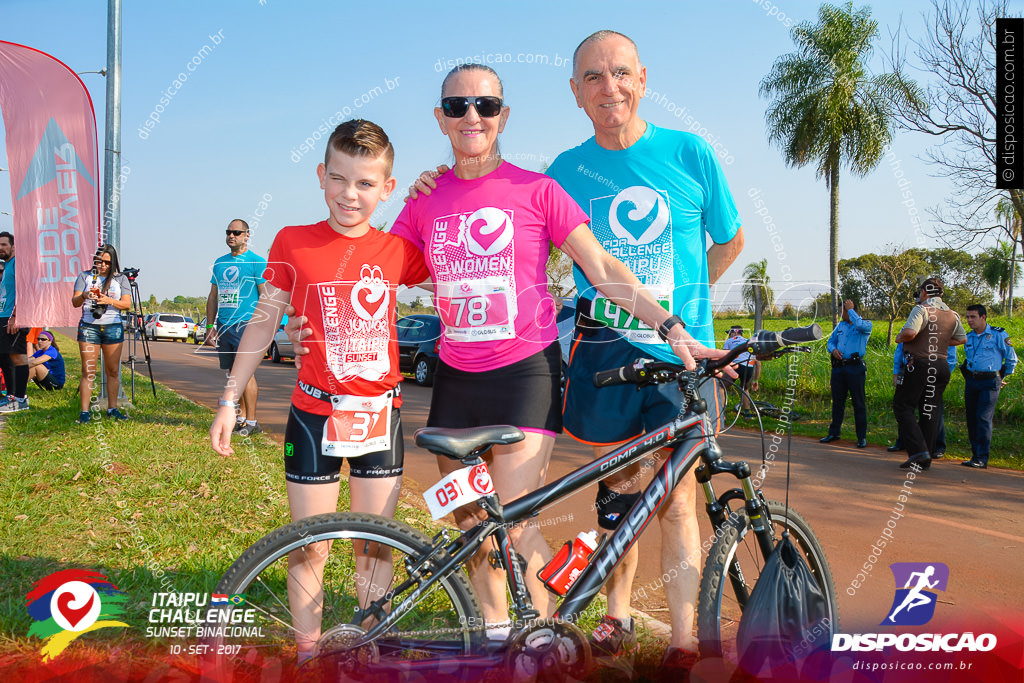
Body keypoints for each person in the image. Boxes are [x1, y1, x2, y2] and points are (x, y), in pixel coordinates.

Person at [372, 59, 732, 651]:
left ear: (503, 116)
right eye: (458, 106)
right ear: (440, 118)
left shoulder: (539, 189)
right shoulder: (426, 199)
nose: (472, 117)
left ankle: (539, 644)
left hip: (525, 374)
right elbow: (384, 269)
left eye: (486, 106)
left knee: (516, 524)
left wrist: (670, 324)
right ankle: (494, 634)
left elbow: (604, 268)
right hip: (455, 377)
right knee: (470, 523)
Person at [210, 119, 429, 663]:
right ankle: (309, 656)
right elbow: (263, 323)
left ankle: (368, 653)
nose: (350, 195)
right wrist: (228, 399)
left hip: (382, 416)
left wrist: (440, 186)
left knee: (375, 547)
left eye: (365, 183)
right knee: (310, 546)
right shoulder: (291, 241)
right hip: (314, 413)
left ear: (387, 187)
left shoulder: (398, 248)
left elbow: (456, 257)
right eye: (339, 179)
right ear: (320, 176)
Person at [893, 277, 967, 470]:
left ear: (925, 292)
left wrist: (899, 337)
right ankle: (925, 455)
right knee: (929, 409)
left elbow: (910, 333)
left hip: (920, 364)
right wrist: (938, 342)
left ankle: (918, 451)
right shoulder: (953, 314)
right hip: (941, 366)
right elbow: (961, 339)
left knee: (903, 405)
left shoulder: (922, 309)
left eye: (920, 291)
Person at [204, 219, 267, 436]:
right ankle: (239, 417)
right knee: (233, 374)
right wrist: (211, 325)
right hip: (224, 325)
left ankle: (252, 422)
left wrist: (262, 325)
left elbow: (266, 295)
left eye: (237, 233)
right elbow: (213, 296)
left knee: (246, 373)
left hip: (247, 324)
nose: (232, 236)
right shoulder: (220, 263)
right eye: (229, 232)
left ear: (247, 235)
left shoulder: (256, 262)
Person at [71, 245, 133, 423]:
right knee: (88, 371)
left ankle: (112, 408)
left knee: (113, 371)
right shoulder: (85, 276)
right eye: (100, 261)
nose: (103, 265)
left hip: (113, 326)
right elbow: (75, 302)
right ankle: (84, 412)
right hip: (89, 326)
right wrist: (84, 295)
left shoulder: (120, 279)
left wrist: (107, 300)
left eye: (107, 262)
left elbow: (127, 304)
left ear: (113, 262)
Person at [960, 304, 1017, 469]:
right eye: (968, 317)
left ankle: (982, 458)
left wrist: (1002, 377)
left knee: (983, 418)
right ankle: (975, 455)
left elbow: (1011, 358)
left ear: (983, 317)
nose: (969, 320)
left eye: (973, 317)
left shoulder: (998, 334)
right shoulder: (969, 337)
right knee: (971, 418)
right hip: (972, 380)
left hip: (990, 381)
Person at [887, 342, 956, 456]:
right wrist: (896, 373)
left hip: (932, 374)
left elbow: (951, 358)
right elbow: (900, 350)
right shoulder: (912, 326)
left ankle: (937, 446)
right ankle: (903, 441)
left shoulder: (943, 330)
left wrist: (938, 376)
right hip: (908, 371)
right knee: (905, 408)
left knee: (932, 410)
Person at [820, 299, 872, 448]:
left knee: (858, 403)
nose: (841, 313)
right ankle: (834, 433)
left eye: (843, 310)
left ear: (852, 311)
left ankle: (861, 437)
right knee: (837, 402)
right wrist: (833, 350)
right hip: (839, 368)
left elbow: (860, 325)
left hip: (855, 368)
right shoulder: (840, 326)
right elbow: (831, 341)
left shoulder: (865, 325)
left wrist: (851, 311)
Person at [0, 231, 31, 413]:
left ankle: (21, 399)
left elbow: (24, 291)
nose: (1, 248)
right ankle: (11, 396)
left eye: (4, 244)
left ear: (13, 246)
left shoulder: (18, 264)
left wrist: (15, 316)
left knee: (18, 357)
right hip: (4, 316)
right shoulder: (7, 265)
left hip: (14, 318)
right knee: (5, 356)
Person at [723, 325, 760, 416]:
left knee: (721, 387)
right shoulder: (749, 342)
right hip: (749, 367)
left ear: (735, 332)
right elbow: (758, 363)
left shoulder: (729, 341)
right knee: (745, 388)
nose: (729, 335)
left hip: (736, 366)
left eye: (730, 333)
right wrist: (756, 380)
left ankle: (721, 413)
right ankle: (747, 414)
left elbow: (724, 357)